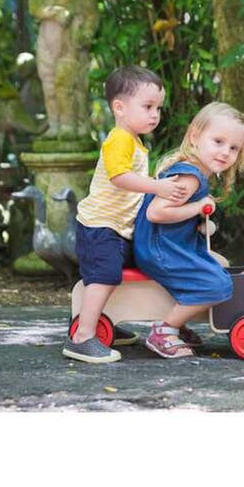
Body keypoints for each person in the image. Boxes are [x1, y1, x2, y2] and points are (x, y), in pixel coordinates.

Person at [62, 66, 189, 364]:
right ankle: (82, 337)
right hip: (100, 225)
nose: (154, 114)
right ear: (119, 107)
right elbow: (120, 177)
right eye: (147, 107)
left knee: (119, 273)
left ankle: (106, 320)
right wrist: (158, 187)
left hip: (117, 227)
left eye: (158, 108)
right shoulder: (119, 138)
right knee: (103, 276)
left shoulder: (135, 141)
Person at [133, 101, 244, 358]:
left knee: (218, 264)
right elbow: (156, 212)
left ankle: (179, 323)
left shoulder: (195, 172)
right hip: (160, 250)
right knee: (218, 284)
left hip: (167, 245)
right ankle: (164, 331)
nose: (225, 152)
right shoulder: (190, 176)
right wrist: (198, 207)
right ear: (195, 135)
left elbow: (175, 214)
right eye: (218, 141)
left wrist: (198, 222)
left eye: (234, 148)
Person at [28, 0, 99, 140]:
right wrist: (54, 12)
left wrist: (85, 33)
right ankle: (55, 124)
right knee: (48, 84)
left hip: (71, 42)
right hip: (47, 41)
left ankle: (72, 126)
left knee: (68, 84)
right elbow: (34, 8)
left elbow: (91, 14)